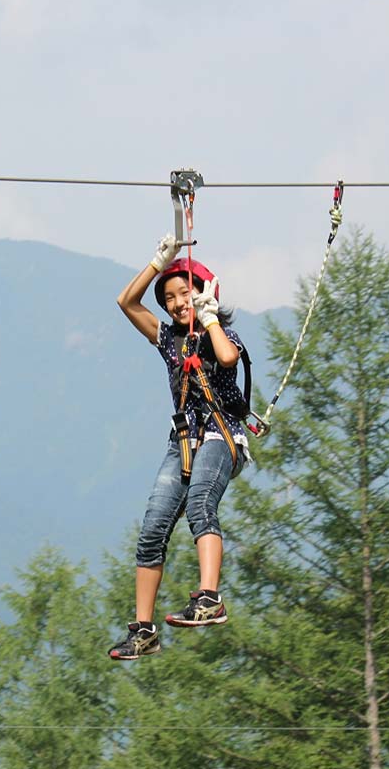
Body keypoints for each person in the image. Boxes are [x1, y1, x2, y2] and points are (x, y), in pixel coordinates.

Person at [108, 233, 250, 661]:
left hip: (222, 434)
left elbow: (226, 359)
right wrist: (159, 262)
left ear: (204, 292)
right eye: (168, 297)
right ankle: (144, 629)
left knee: (202, 504)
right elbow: (126, 303)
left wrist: (207, 316)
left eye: (184, 292)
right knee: (152, 528)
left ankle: (210, 597)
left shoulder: (222, 333)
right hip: (183, 440)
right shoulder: (169, 340)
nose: (175, 303)